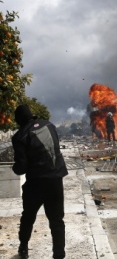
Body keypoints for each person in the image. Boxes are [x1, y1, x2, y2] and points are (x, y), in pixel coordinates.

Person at [11, 105, 68, 259]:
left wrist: (14, 167)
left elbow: (21, 168)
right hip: (56, 180)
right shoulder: (49, 125)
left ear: (18, 120)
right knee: (57, 220)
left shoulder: (19, 136)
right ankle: (59, 255)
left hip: (36, 183)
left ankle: (23, 248)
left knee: (28, 217)